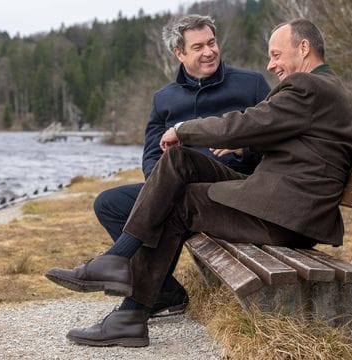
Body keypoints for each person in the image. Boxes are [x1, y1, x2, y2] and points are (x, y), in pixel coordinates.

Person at [45, 18, 352, 348]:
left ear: (304, 48)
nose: (271, 64)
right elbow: (306, 143)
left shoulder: (309, 87)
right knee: (179, 160)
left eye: (276, 54)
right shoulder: (325, 89)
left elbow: (249, 121)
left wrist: (184, 129)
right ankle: (116, 262)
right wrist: (248, 145)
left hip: (286, 215)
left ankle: (130, 313)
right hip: (283, 204)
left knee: (181, 204)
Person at [93, 14, 270, 318]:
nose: (209, 52)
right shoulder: (164, 99)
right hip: (177, 190)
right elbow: (151, 155)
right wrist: (158, 187)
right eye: (198, 46)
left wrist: (243, 149)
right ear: (180, 53)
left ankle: (132, 295)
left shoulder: (251, 84)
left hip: (232, 192)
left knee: (168, 199)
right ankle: (165, 292)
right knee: (109, 203)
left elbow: (275, 139)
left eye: (212, 42)